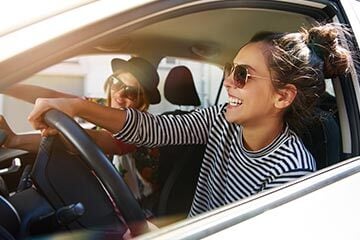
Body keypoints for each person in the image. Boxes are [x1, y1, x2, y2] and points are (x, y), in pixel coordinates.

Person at [27, 23, 352, 217]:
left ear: (282, 97)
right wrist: (75, 106)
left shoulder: (292, 168)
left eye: (243, 75)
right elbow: (152, 130)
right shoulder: (220, 121)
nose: (228, 82)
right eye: (229, 69)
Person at [1, 57, 161, 201]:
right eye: (117, 83)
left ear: (142, 101)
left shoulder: (142, 128)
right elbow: (53, 96)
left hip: (132, 210)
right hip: (102, 194)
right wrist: (6, 85)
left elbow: (98, 140)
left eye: (131, 93)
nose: (119, 96)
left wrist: (15, 140)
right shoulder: (102, 105)